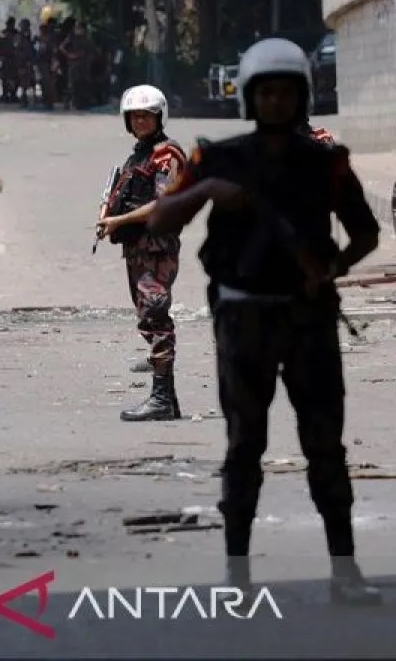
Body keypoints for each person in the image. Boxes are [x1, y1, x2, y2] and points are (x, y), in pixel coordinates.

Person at [147, 37, 382, 604]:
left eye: (286, 93)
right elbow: (161, 217)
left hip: (307, 316)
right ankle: (238, 575)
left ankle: (345, 573)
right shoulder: (215, 159)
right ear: (250, 98)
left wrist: (330, 270)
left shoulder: (326, 162)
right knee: (244, 446)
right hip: (243, 316)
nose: (276, 102)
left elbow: (366, 232)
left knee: (325, 448)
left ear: (301, 97)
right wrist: (208, 190)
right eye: (267, 93)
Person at [96, 85, 186, 421]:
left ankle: (161, 399)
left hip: (156, 249)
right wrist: (108, 217)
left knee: (156, 317)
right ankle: (168, 401)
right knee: (147, 317)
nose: (140, 121)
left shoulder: (166, 155)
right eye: (134, 117)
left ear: (159, 117)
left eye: (146, 116)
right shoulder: (138, 157)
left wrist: (118, 220)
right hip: (137, 249)